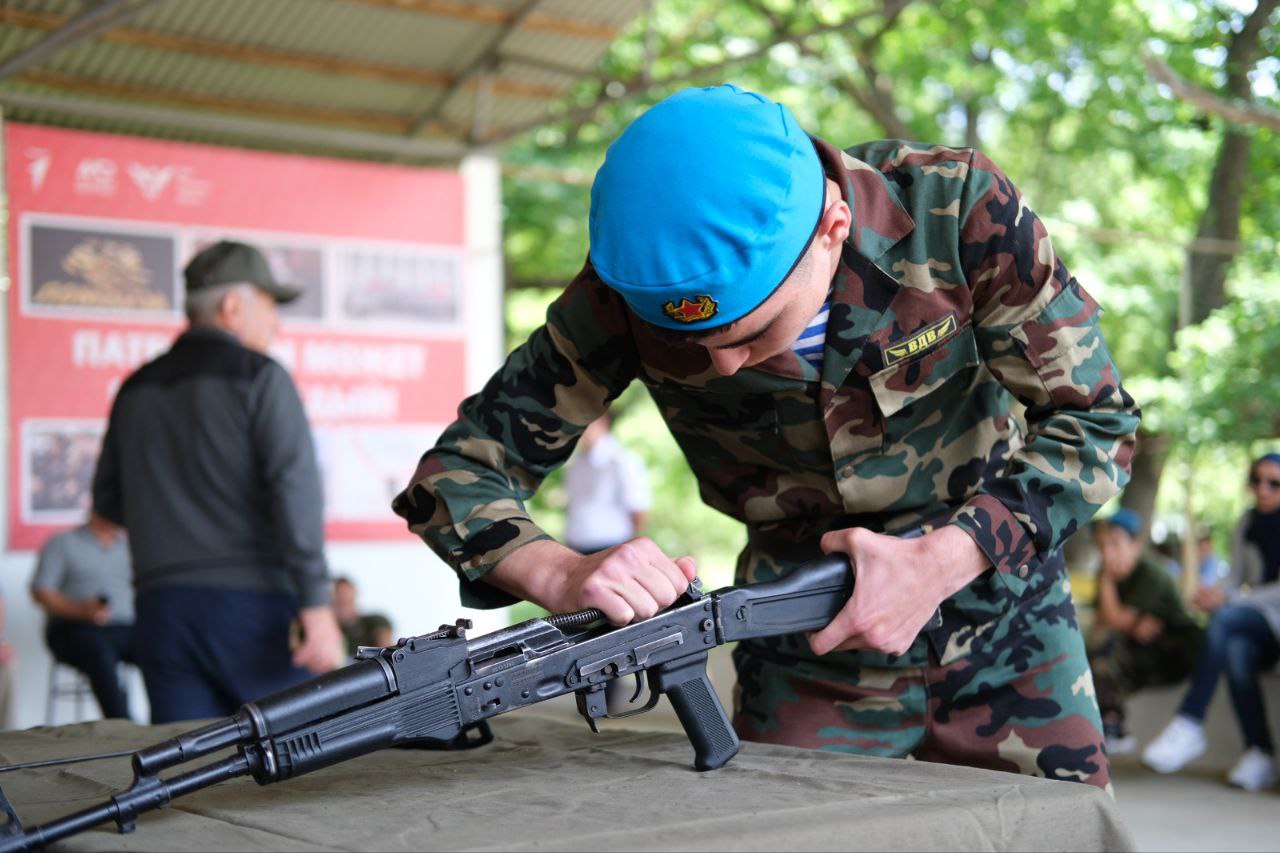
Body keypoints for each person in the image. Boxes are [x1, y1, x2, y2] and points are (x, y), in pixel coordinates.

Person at [392, 84, 1139, 791]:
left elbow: (1097, 419)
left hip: (1002, 614)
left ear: (832, 230)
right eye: (687, 343)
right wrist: (558, 574)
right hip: (803, 637)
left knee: (1055, 830)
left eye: (750, 334)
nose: (719, 364)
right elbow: (456, 474)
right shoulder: (622, 297)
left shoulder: (954, 212)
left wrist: (943, 560)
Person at [92, 240, 343, 723]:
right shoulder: (261, 378)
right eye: (270, 307)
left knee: (190, 771)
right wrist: (316, 603)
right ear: (232, 307)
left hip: (160, 610)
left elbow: (107, 502)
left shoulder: (135, 387)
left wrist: (172, 514)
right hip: (251, 610)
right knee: (293, 767)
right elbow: (295, 494)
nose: (276, 323)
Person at [1142, 453, 1280, 791]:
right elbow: (1235, 578)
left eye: (1273, 483)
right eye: (1256, 480)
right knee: (1234, 649)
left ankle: (1190, 720)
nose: (1263, 489)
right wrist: (1213, 594)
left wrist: (1230, 600)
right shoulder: (1246, 523)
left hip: (1273, 619)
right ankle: (1259, 753)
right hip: (1255, 623)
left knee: (1225, 617)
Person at [1085, 508, 1202, 755]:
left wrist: (1106, 582)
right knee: (1088, 650)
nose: (1107, 554)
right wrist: (1125, 620)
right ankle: (1107, 724)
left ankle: (1113, 724)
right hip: (1140, 649)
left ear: (1136, 545)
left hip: (1176, 654)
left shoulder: (1149, 573)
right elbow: (1101, 622)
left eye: (1115, 544)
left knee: (1106, 650)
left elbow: (1114, 620)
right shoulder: (1111, 575)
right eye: (1101, 546)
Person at [30, 512, 137, 719]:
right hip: (74, 629)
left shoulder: (131, 547)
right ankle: (124, 728)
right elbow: (41, 592)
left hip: (125, 628)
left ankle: (169, 730)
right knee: (99, 650)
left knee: (164, 646)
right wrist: (81, 610)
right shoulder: (63, 542)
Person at [563, 412, 652, 555]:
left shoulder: (623, 460)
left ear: (603, 422)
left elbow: (638, 508)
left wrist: (627, 550)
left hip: (611, 547)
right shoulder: (576, 463)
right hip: (575, 547)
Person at [332, 576, 394, 657]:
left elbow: (386, 648)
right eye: (340, 599)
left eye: (347, 598)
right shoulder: (328, 629)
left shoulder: (375, 621)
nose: (344, 598)